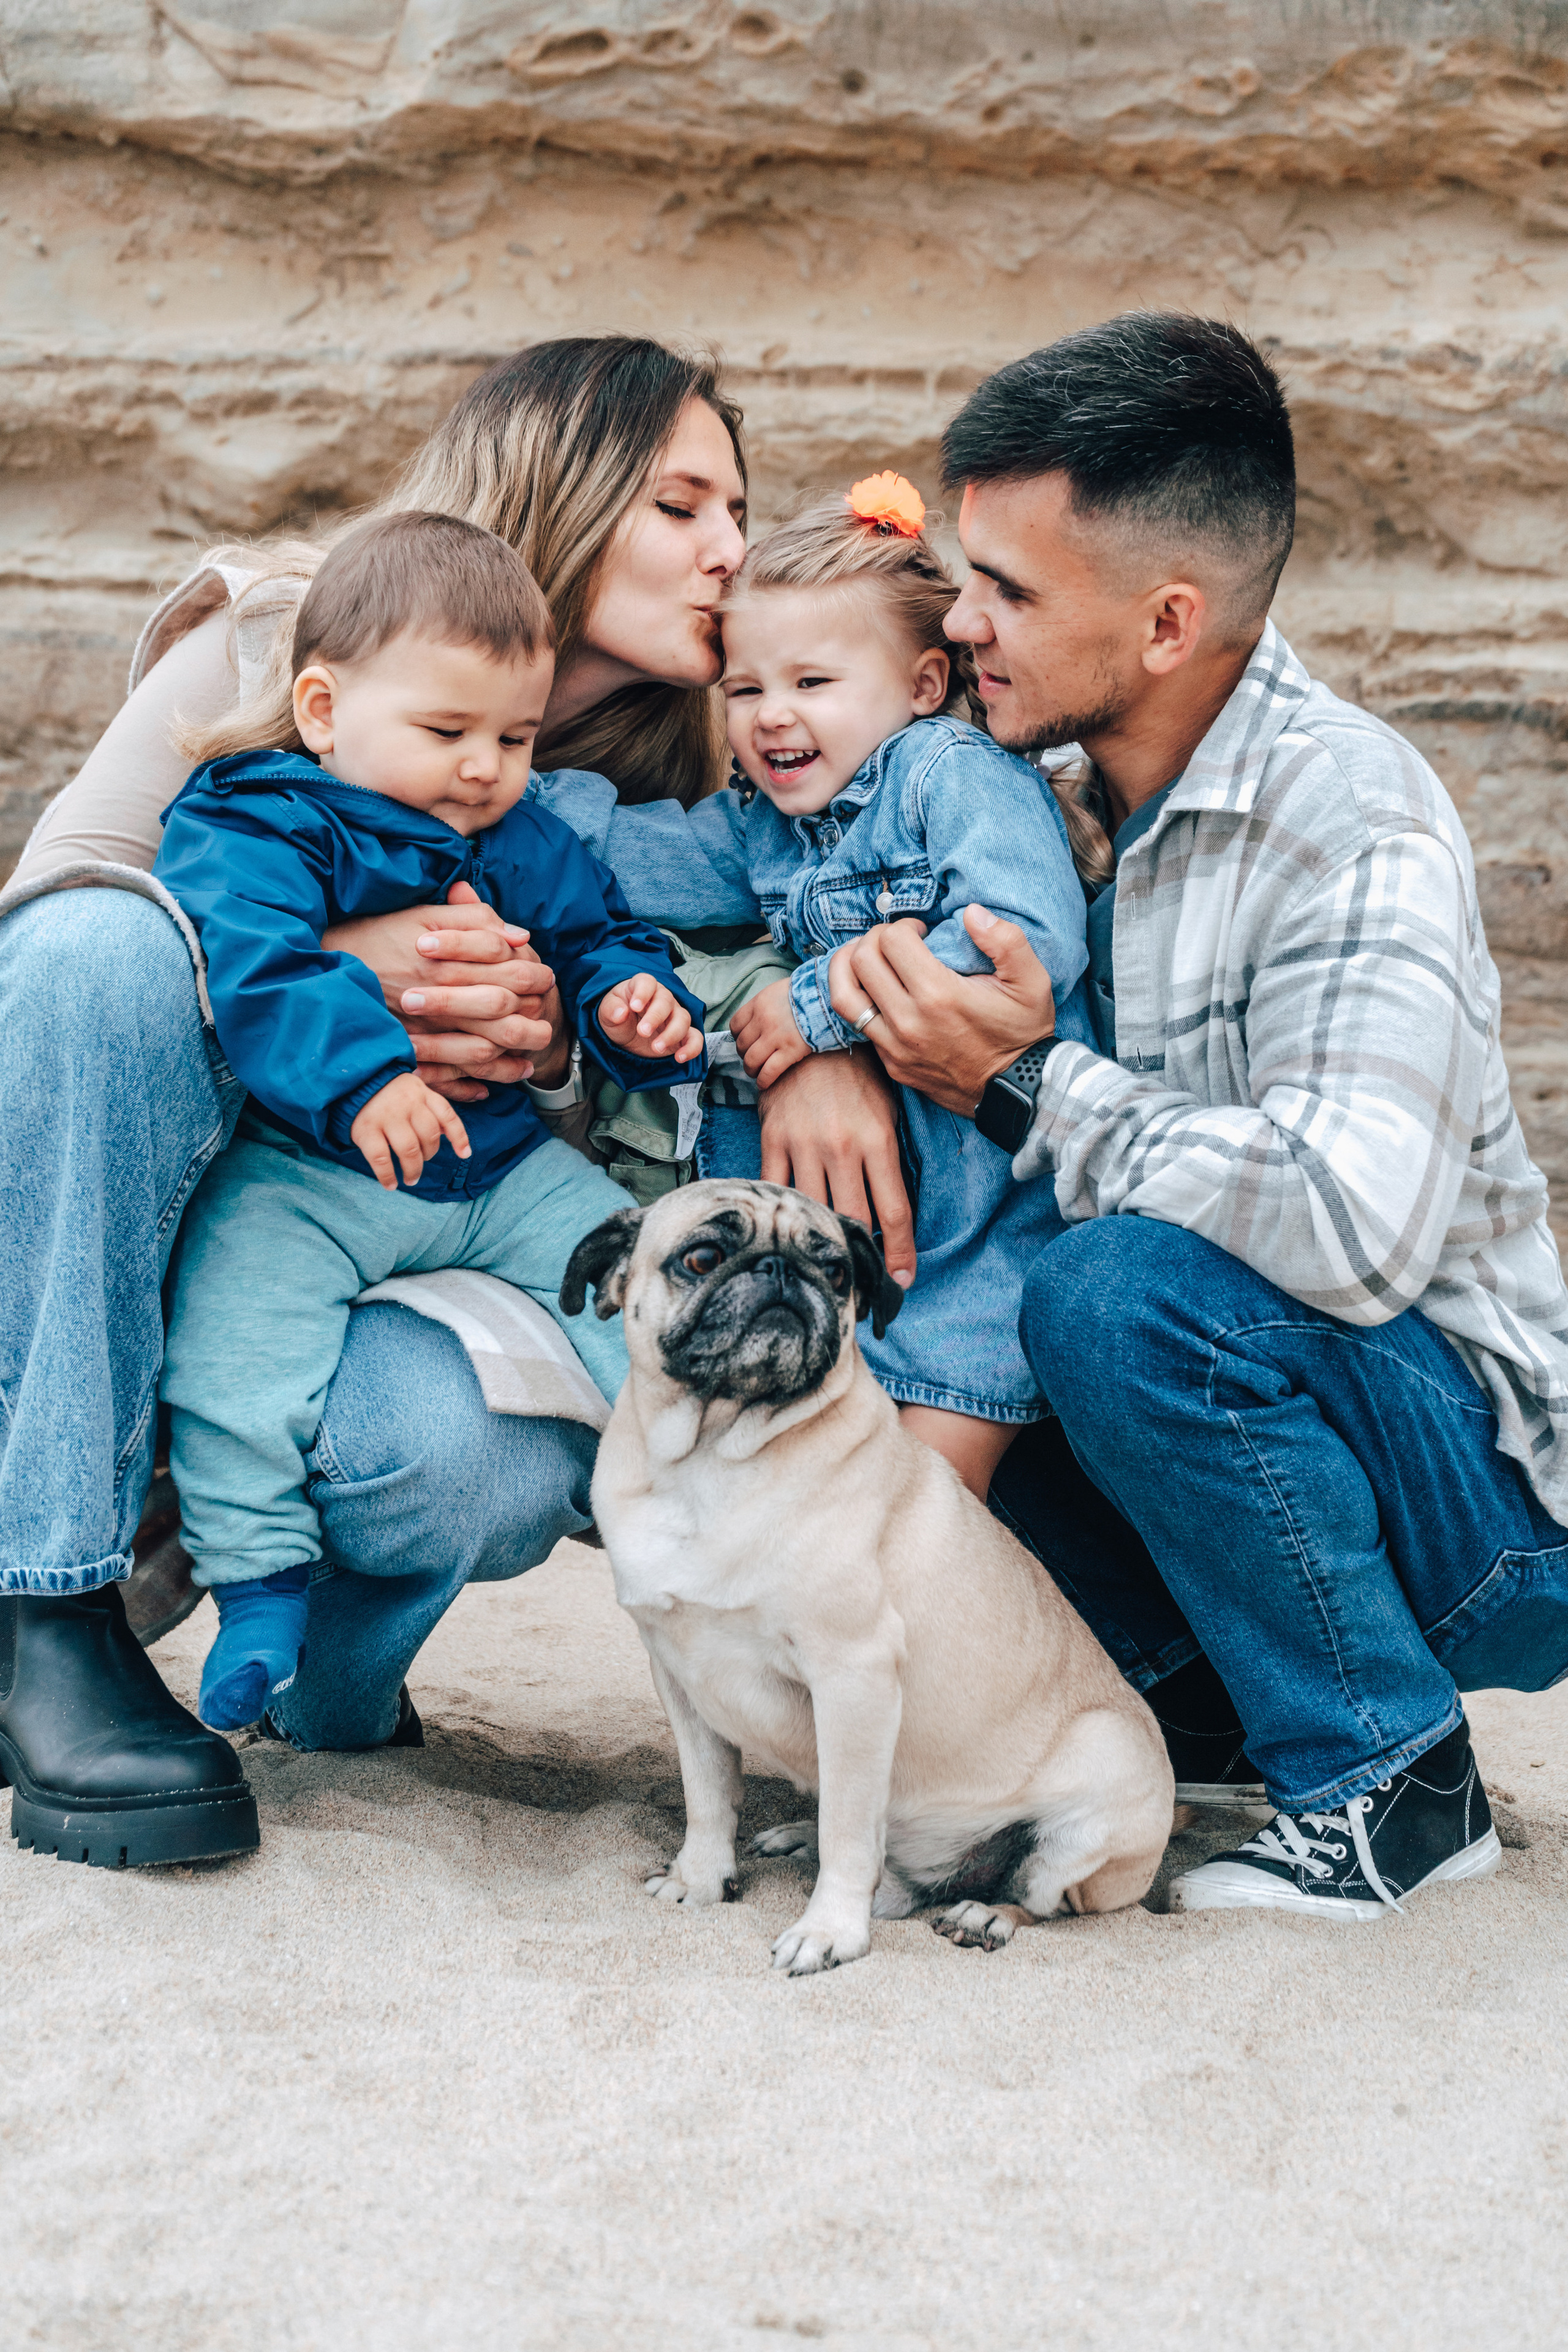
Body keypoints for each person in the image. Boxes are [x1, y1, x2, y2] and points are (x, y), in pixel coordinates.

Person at [3, 335, 887, 1865]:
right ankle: (46, 1605)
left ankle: (312, 1669)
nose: (728, 552)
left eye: (736, 514)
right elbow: (61, 933)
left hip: (372, 1222)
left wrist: (598, 1034)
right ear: (561, 480)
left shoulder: (655, 775)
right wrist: (348, 969)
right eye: (683, 506)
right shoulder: (288, 635)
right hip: (150, 1211)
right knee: (97, 959)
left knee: (477, 1451)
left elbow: (702, 982)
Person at [823, 311, 1568, 1919]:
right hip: (1275, 1457)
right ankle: (1219, 1707)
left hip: (1486, 1511)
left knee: (1105, 1294)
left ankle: (1391, 1780)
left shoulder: (1345, 810)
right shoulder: (1030, 793)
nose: (961, 620)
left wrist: (1020, 1082)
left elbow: (1351, 1236)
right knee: (917, 1383)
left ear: (1169, 623)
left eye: (1010, 590)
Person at [154, 511, 703, 1730]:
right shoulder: (260, 817)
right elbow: (252, 966)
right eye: (446, 732)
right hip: (312, 1169)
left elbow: (594, 932)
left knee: (636, 1270)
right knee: (237, 1351)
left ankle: (688, 1500)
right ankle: (258, 1588)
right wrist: (362, 1078)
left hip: (494, 1166)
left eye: (513, 737)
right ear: (322, 709)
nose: (481, 769)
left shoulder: (516, 835)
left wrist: (628, 1001)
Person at [592, 473, 1094, 1498]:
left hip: (989, 1233)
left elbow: (1030, 938)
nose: (773, 718)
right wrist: (486, 778)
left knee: (923, 1512)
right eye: (745, 690)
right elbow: (624, 855)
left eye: (812, 684)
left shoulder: (948, 773)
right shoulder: (763, 825)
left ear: (919, 684)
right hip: (856, 1237)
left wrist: (819, 1006)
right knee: (822, 1500)